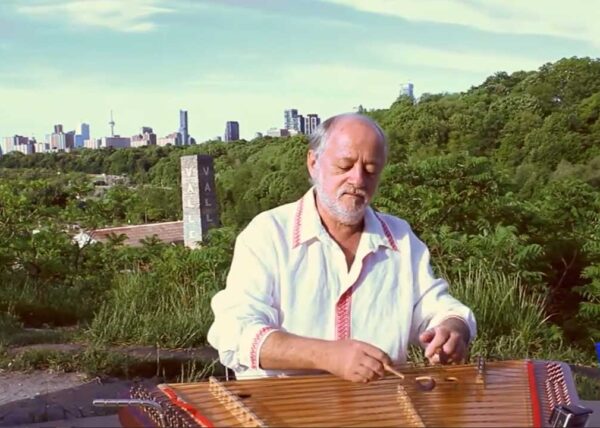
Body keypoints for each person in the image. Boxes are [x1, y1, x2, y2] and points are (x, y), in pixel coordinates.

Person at [207, 113, 476, 383]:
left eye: (370, 169)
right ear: (313, 163)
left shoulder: (400, 238)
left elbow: (437, 308)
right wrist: (326, 355)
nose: (358, 180)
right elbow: (234, 333)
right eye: (344, 166)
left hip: (380, 410)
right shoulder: (268, 234)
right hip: (279, 414)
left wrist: (452, 329)